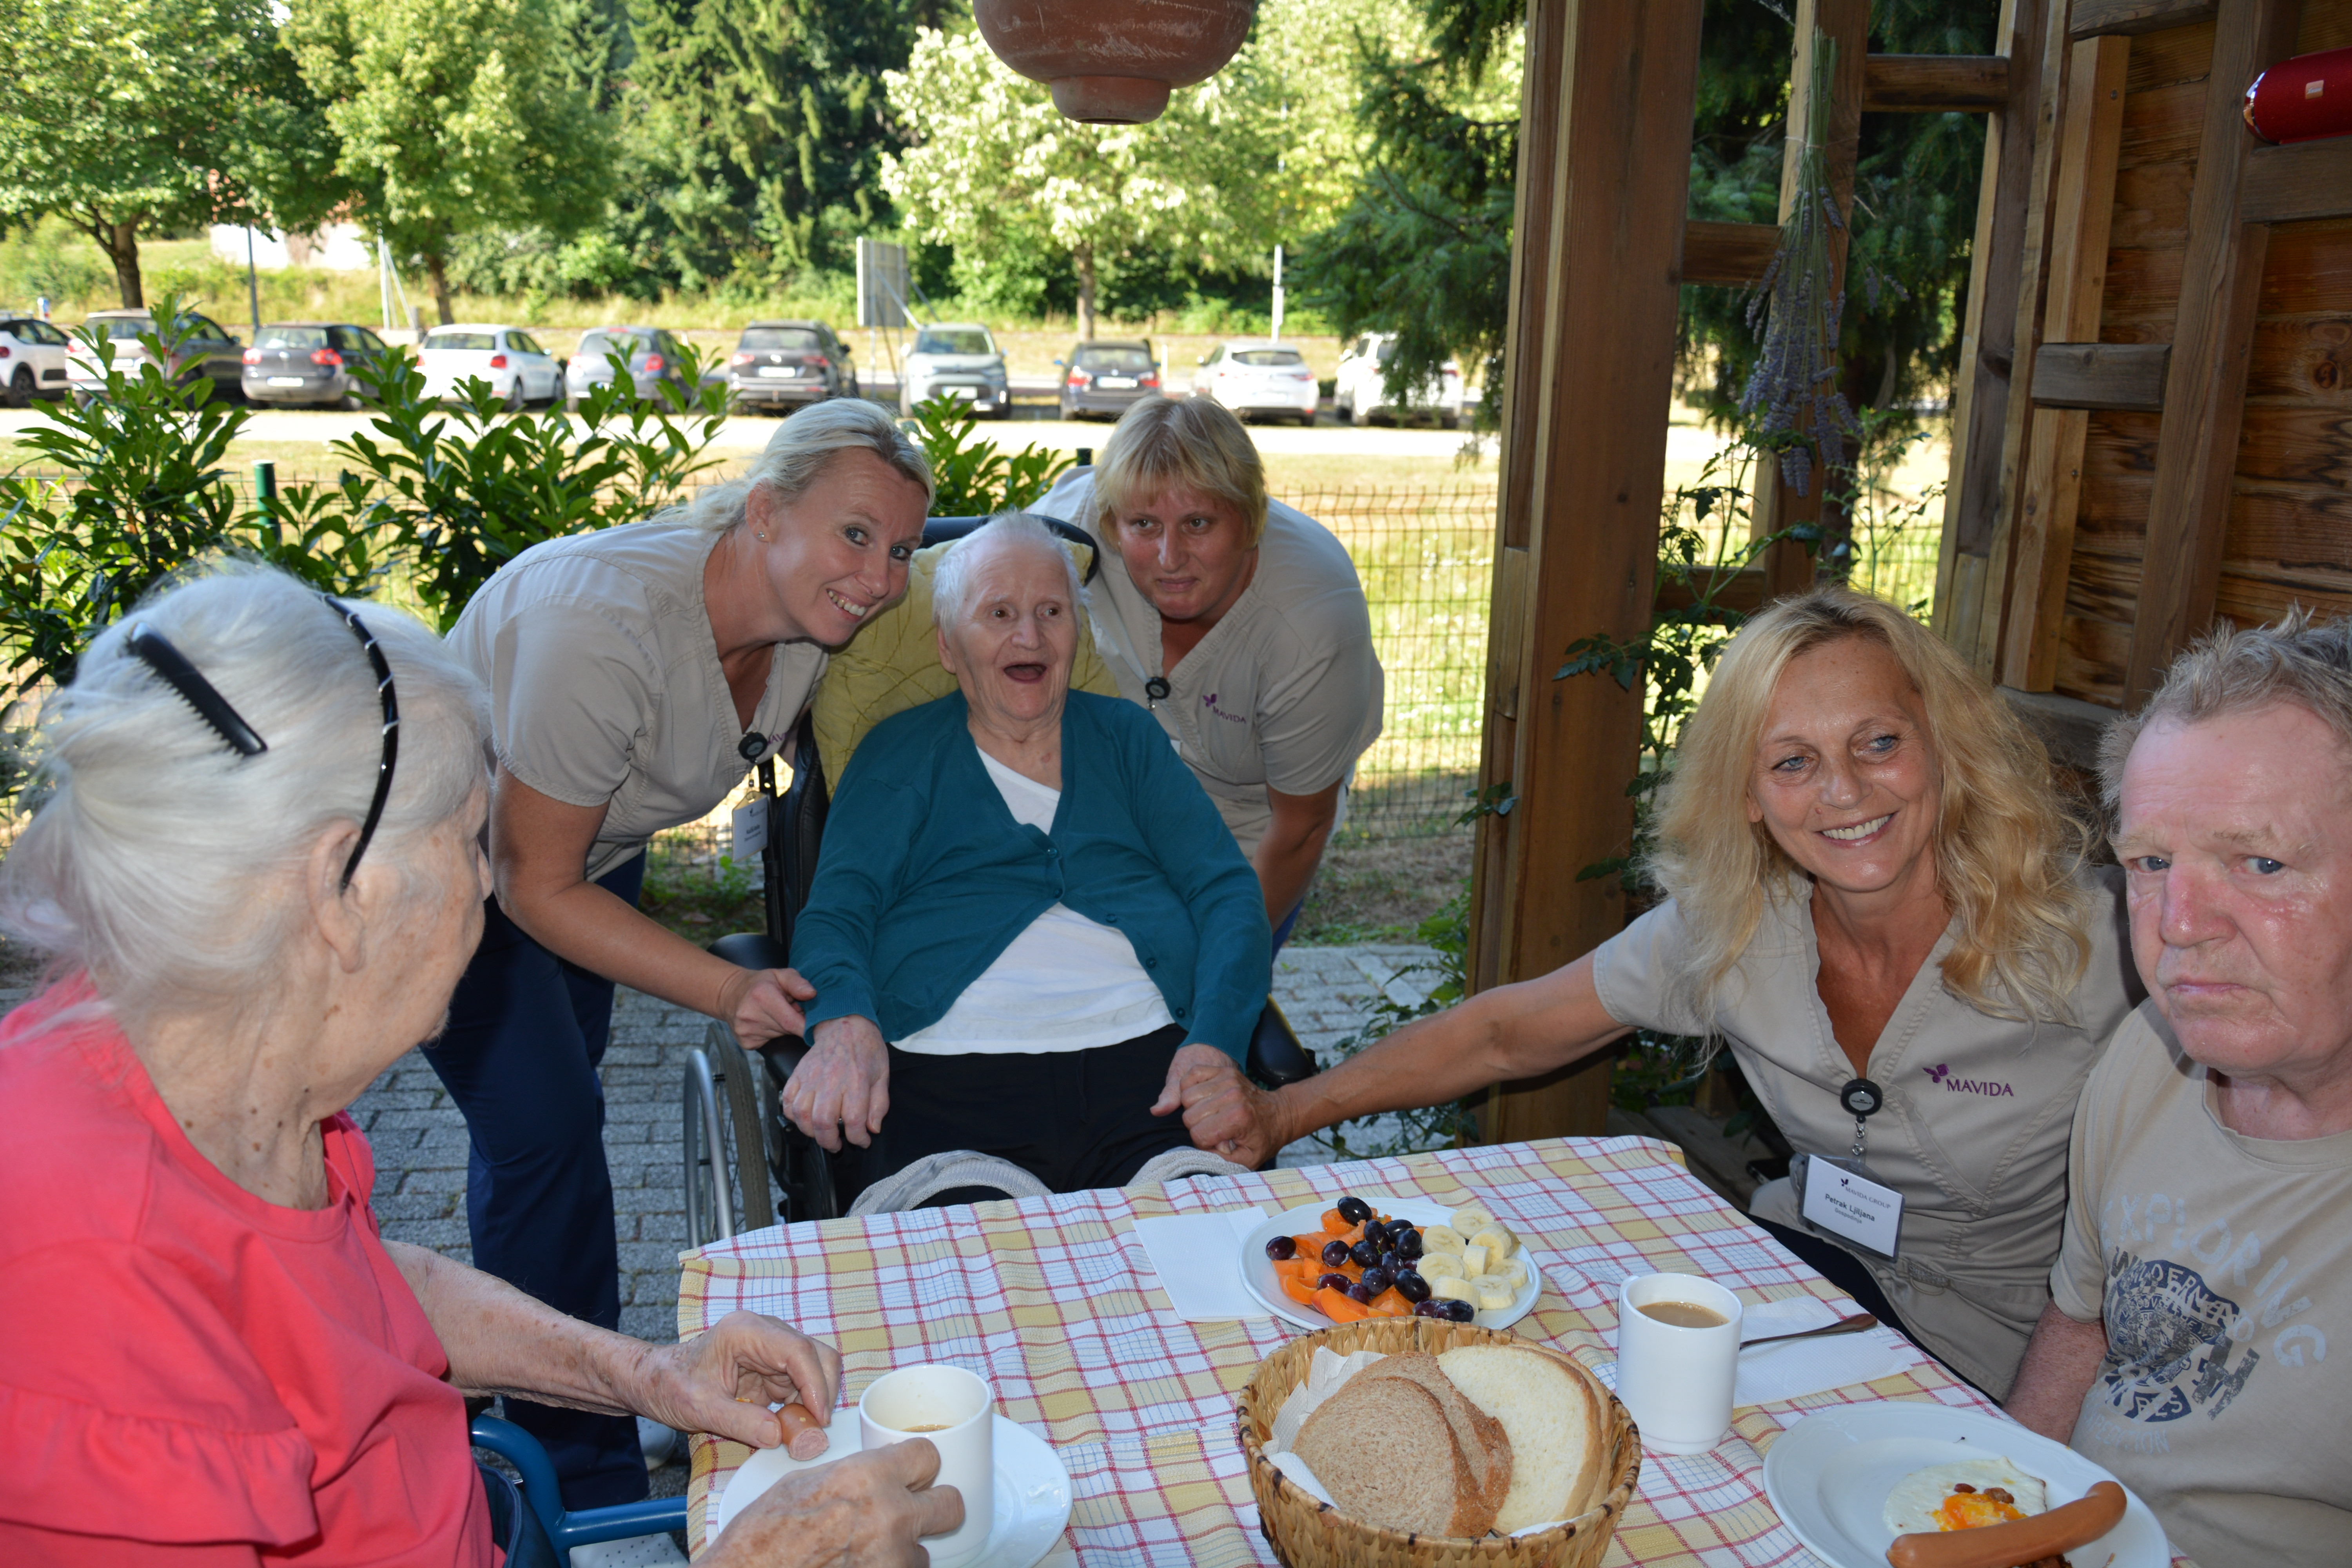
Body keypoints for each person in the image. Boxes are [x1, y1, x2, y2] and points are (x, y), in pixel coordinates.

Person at [0, 566, 963, 1567]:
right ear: (343, 890)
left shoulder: (220, 1066)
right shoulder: (85, 1311)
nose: (488, 884)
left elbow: (356, 1288)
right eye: (470, 838)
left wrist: (653, 1373)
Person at [1179, 586, 2142, 1399]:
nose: (1843, 790)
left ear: (1944, 745)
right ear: (1749, 796)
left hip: (2009, 1360)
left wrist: (2033, 1454)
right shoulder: (1736, 926)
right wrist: (1284, 1110)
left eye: (1879, 741)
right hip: (1802, 1293)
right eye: (1793, 761)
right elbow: (1507, 1033)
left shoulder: (2109, 947)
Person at [436, 400, 931, 1514]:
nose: (882, 577)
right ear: (764, 512)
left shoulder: (811, 622)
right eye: (856, 535)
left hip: (583, 855)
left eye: (901, 549)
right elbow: (529, 882)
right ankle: (585, 1479)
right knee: (549, 1139)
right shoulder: (603, 630)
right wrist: (730, 986)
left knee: (540, 1137)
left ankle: (536, 1379)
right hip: (458, 870)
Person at [780, 515, 1272, 1209]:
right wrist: (844, 1024)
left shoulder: (1126, 739)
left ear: (1078, 630)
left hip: (1153, 1074)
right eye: (1000, 614)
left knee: (1206, 1252)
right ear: (949, 647)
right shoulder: (899, 753)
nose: (1030, 638)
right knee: (967, 1286)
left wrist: (1216, 1042)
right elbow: (837, 913)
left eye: (1051, 612)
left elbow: (1226, 893)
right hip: (949, 1082)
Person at [2007, 613, 2352, 1563]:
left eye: (2262, 862)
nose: (2181, 926)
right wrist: (2002, 1521)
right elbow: (2079, 1322)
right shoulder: (2150, 1052)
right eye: (2152, 863)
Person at [1033, 394, 1382, 949]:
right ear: (1109, 522)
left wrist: (1222, 969)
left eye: (1198, 523)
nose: (1171, 558)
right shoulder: (1067, 532)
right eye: (1144, 525)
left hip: (1247, 833)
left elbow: (1299, 829)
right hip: (1106, 815)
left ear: (1249, 519)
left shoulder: (1313, 622)